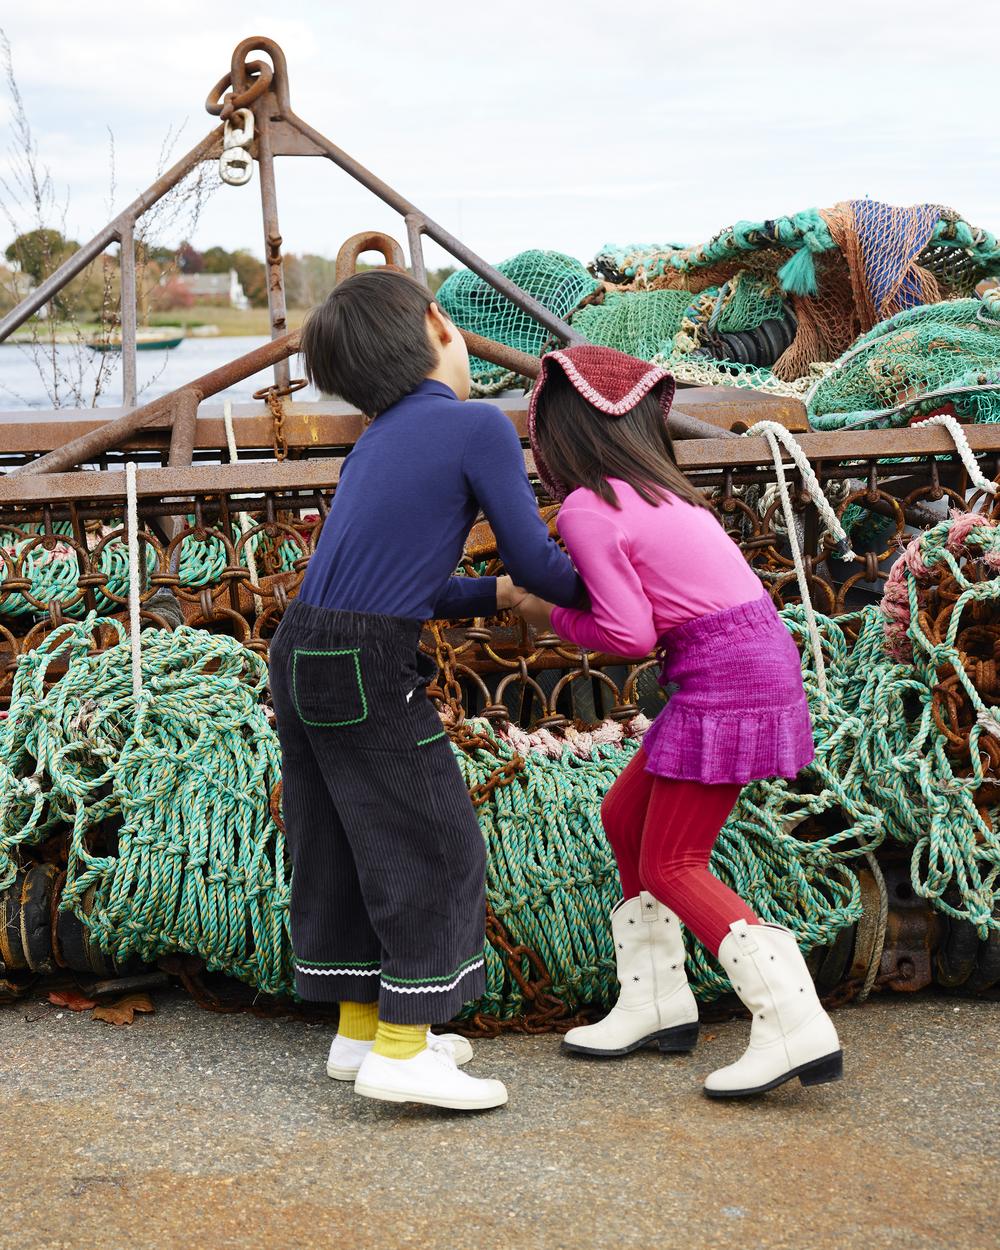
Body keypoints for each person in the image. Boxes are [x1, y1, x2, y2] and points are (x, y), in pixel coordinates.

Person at [269, 270, 583, 1110]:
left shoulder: (375, 440)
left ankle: (360, 1031)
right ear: (442, 324)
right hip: (369, 663)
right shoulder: (476, 424)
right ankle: (404, 1054)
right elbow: (536, 558)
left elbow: (397, 581)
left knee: (338, 842)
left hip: (301, 648)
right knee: (431, 842)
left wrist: (493, 597)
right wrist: (612, 583)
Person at [514, 344, 842, 1098]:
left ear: (554, 437)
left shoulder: (588, 507)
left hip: (721, 674)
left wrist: (548, 611)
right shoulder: (664, 493)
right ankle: (655, 1001)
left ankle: (794, 1020)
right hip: (747, 659)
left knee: (672, 863)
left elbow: (629, 637)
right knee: (623, 814)